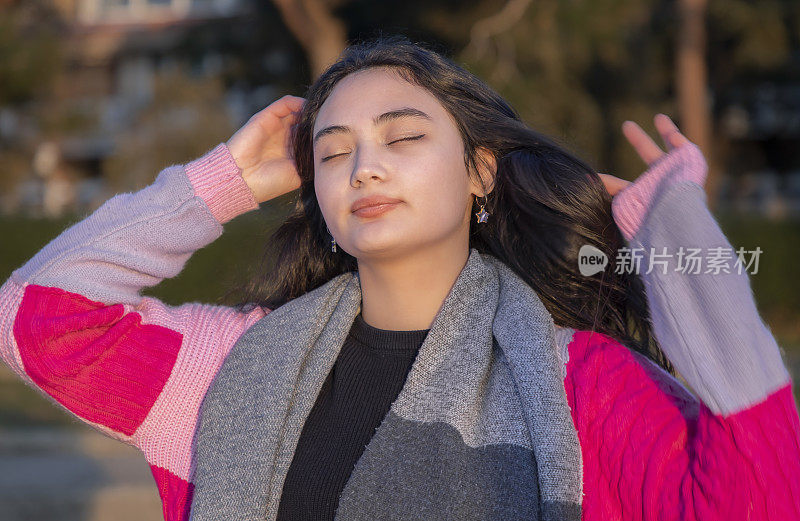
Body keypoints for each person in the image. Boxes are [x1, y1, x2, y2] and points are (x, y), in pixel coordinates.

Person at [1, 35, 798, 521]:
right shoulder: (228, 366)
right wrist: (223, 180)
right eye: (335, 149)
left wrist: (678, 246)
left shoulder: (576, 380)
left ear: (480, 172)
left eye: (401, 135)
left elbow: (761, 495)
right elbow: (35, 318)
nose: (365, 166)